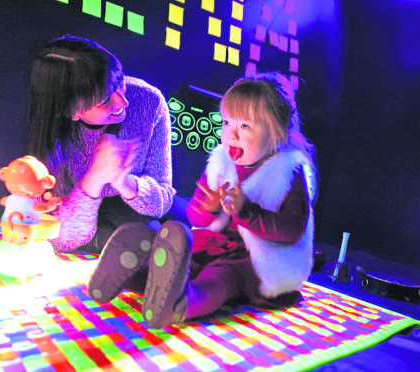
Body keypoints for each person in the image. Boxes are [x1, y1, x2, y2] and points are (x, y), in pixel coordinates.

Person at [88, 72, 317, 329]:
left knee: (219, 278)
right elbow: (197, 217)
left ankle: (181, 304)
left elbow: (291, 230)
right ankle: (133, 274)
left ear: (276, 132)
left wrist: (246, 212)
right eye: (227, 122)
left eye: (245, 126)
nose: (231, 134)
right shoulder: (222, 160)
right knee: (187, 259)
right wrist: (206, 208)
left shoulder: (287, 170)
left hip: (254, 260)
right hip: (214, 244)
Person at [27, 35, 174, 254]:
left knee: (152, 240)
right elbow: (58, 238)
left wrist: (125, 182)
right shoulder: (50, 137)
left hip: (132, 215)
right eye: (105, 100)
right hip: (79, 222)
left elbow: (161, 202)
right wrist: (93, 182)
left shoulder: (148, 101)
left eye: (121, 83)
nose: (123, 103)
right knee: (127, 245)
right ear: (70, 111)